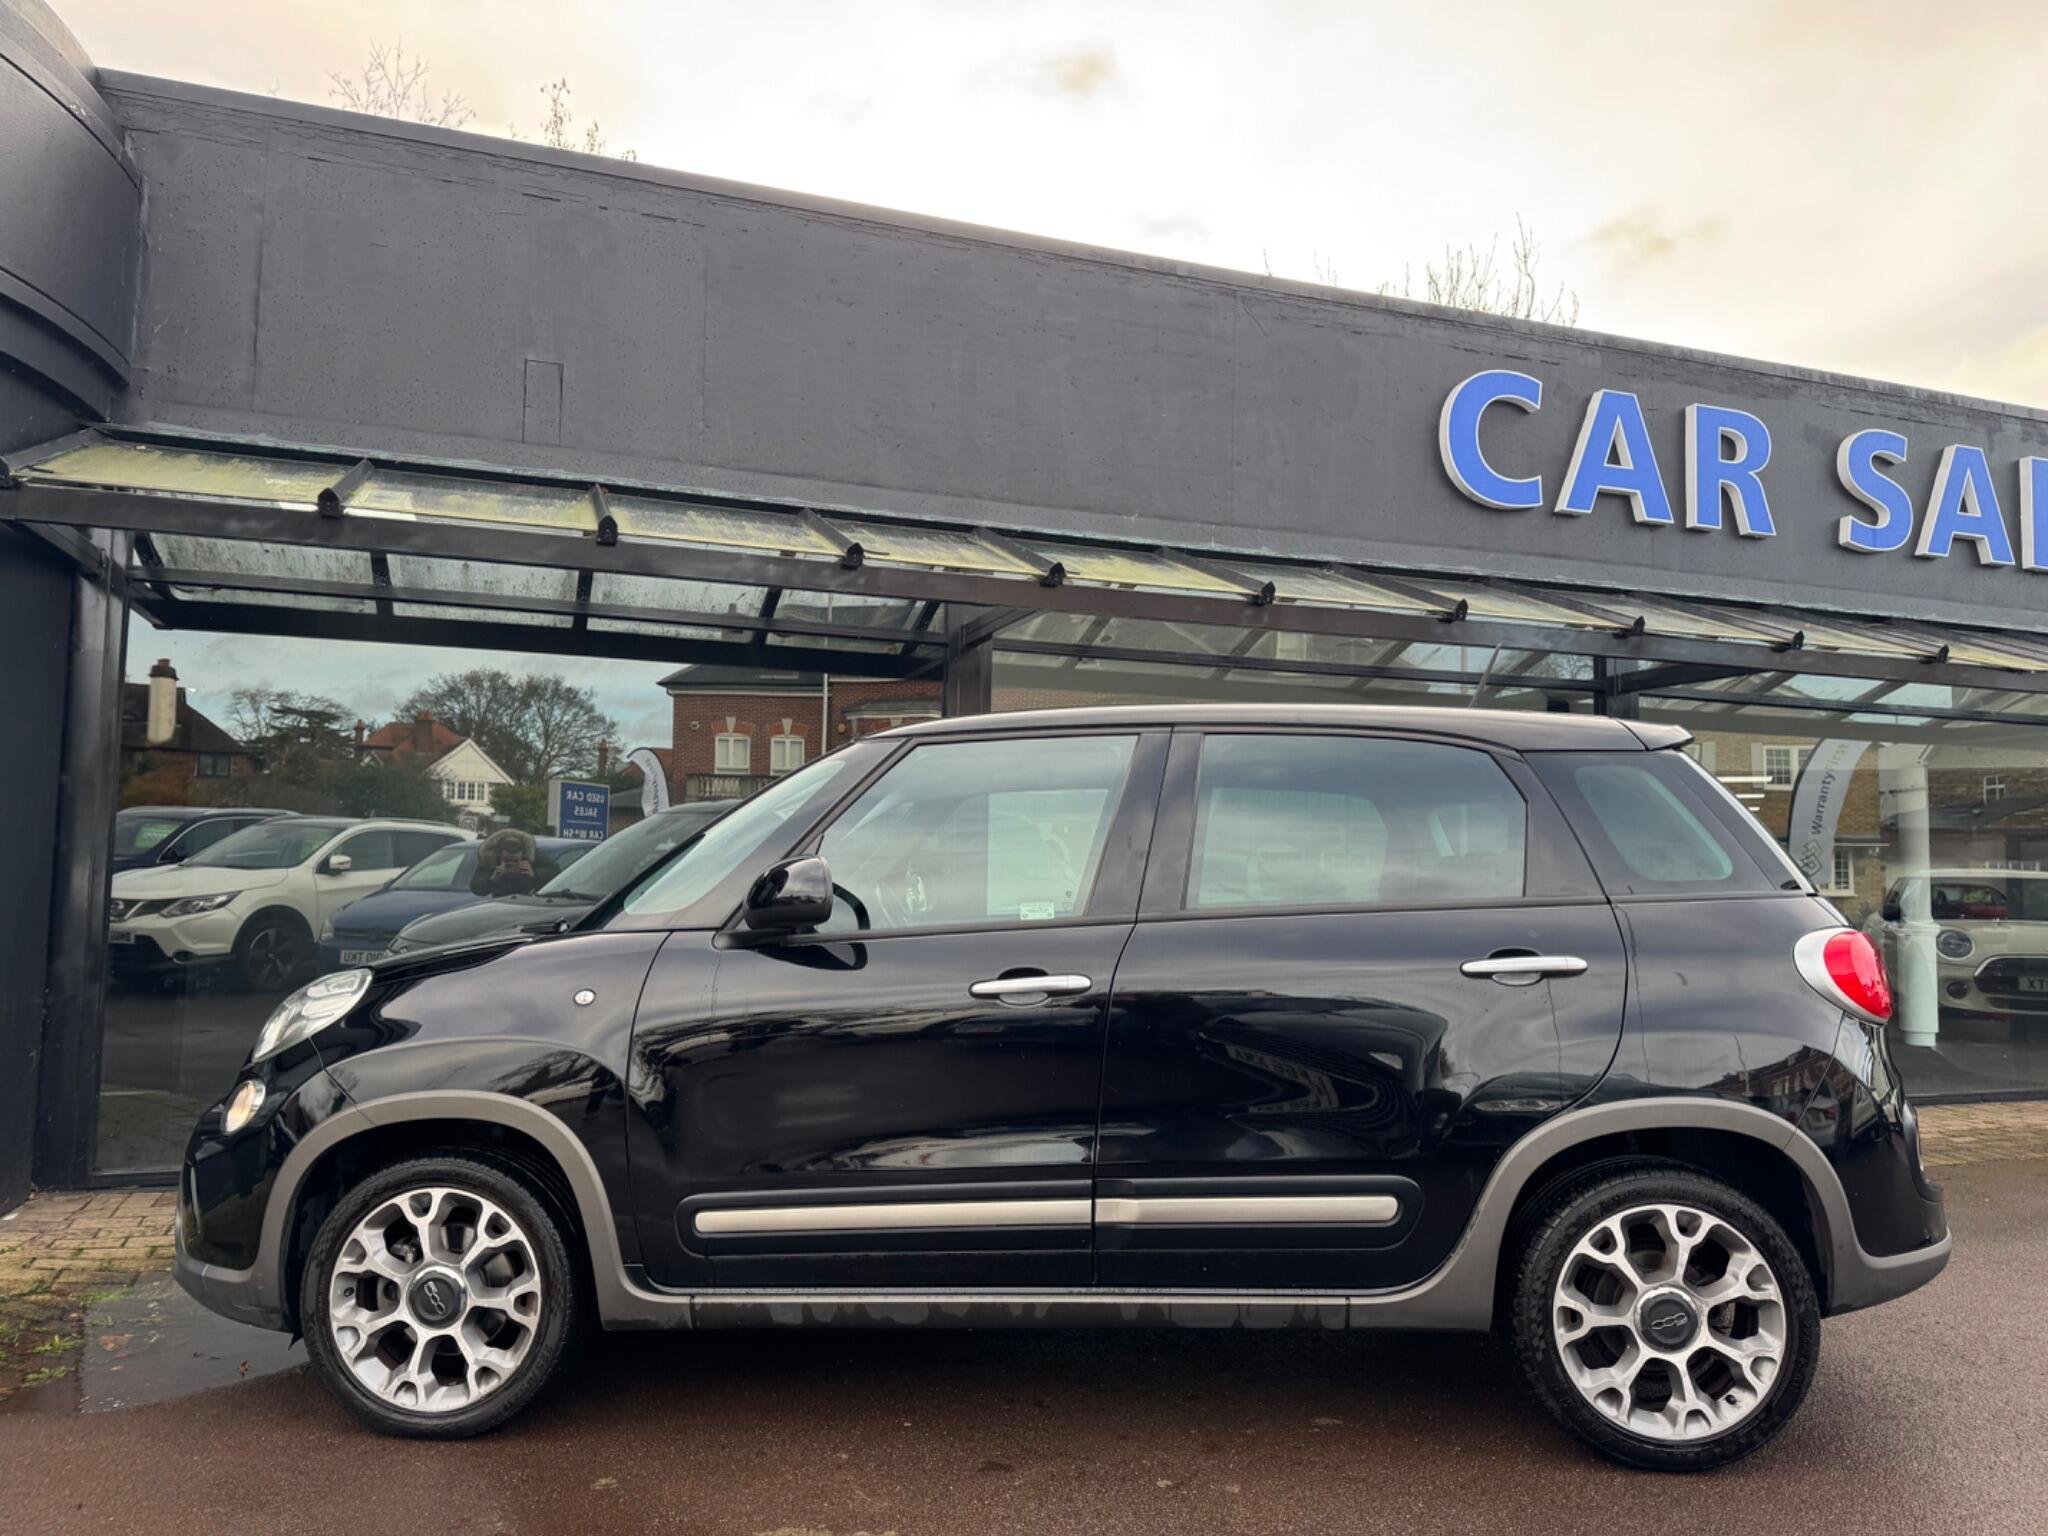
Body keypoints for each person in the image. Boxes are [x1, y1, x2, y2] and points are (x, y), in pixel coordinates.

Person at [472, 827, 538, 897]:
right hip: (498, 902)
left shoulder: (531, 865)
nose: (511, 863)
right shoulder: (489, 865)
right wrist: (492, 880)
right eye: (507, 860)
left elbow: (543, 890)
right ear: (499, 857)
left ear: (523, 857)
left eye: (515, 860)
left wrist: (532, 877)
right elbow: (477, 889)